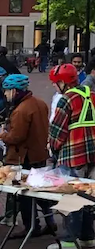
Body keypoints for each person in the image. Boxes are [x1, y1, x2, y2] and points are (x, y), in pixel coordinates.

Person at [48, 65, 95, 249]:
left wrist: (53, 148)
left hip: (72, 153)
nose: (55, 87)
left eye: (56, 83)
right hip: (92, 153)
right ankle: (87, 236)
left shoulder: (66, 99)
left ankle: (71, 238)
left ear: (63, 82)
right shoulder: (92, 95)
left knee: (71, 195)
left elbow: (57, 130)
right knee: (87, 193)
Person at [0, 74, 56, 239]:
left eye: (7, 91)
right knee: (39, 190)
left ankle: (31, 226)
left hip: (24, 156)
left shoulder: (21, 110)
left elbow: (16, 137)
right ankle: (49, 220)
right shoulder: (39, 103)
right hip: (39, 153)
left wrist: (3, 134)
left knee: (23, 194)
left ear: (15, 91)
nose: (5, 94)